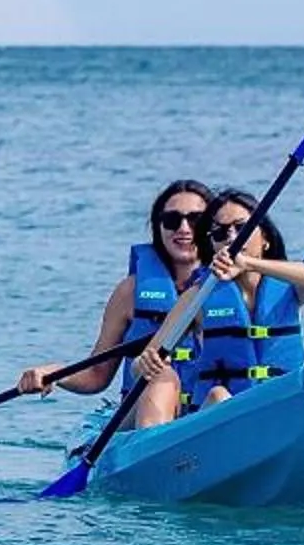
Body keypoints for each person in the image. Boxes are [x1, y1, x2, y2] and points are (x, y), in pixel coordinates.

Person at [15, 178, 215, 431]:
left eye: (195, 220)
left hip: (205, 416)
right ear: (158, 227)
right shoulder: (129, 292)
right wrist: (52, 372)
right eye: (172, 220)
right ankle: (150, 458)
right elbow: (96, 376)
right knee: (160, 377)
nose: (184, 229)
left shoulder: (230, 291)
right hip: (140, 418)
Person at [184, 189, 304, 406]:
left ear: (265, 238)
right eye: (220, 233)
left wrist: (250, 263)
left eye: (242, 228)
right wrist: (148, 363)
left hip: (279, 404)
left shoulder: (291, 289)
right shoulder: (198, 295)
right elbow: (150, 357)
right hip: (223, 412)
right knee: (218, 395)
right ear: (212, 245)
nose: (232, 238)